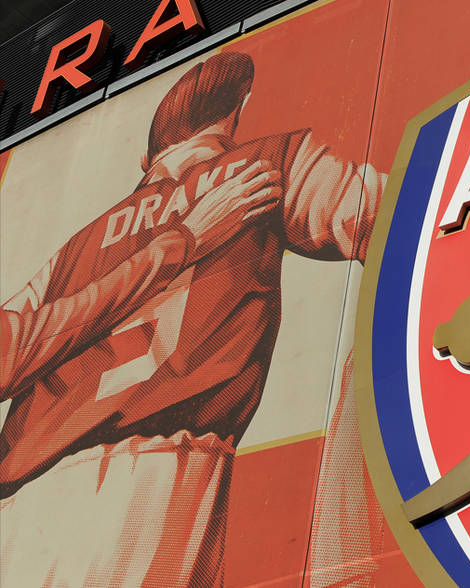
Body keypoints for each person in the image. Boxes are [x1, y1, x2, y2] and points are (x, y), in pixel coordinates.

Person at [0, 51, 384, 586]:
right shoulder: (267, 165)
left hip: (20, 513)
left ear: (146, 158)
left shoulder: (68, 254)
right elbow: (398, 217)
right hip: (159, 486)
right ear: (236, 111)